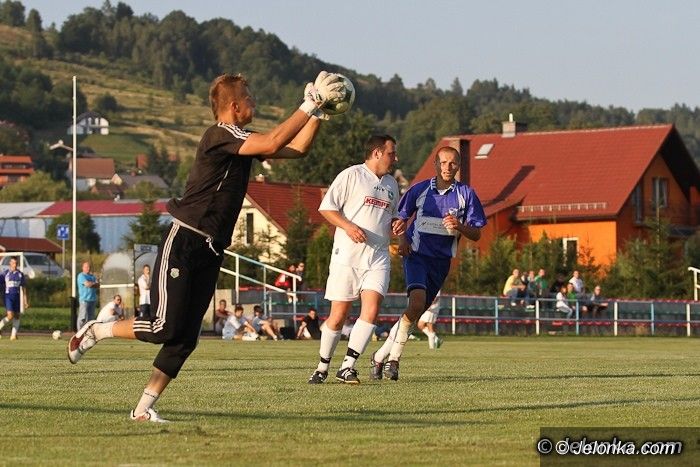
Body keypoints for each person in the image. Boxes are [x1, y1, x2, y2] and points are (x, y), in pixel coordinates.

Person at [67, 70, 345, 422]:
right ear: (234, 106)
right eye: (250, 98)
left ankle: (142, 409)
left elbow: (296, 149)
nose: (255, 103)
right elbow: (274, 142)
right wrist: (308, 104)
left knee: (185, 339)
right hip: (185, 240)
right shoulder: (219, 134)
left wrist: (318, 114)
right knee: (163, 328)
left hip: (211, 250)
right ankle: (97, 329)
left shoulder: (240, 140)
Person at [369, 146, 486, 381]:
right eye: (443, 162)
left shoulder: (466, 194)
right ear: (435, 164)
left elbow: (476, 234)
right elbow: (399, 219)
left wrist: (459, 226)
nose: (447, 167)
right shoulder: (420, 189)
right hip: (416, 256)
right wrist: (403, 240)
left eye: (452, 163)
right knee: (416, 303)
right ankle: (394, 360)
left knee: (415, 312)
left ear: (458, 166)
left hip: (441, 262)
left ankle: (379, 356)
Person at [308, 134, 405, 385]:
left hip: (378, 257)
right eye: (391, 153)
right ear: (377, 153)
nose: (395, 158)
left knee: (371, 310)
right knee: (338, 315)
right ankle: (322, 367)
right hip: (348, 256)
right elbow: (327, 208)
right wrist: (348, 227)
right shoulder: (352, 175)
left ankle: (348, 366)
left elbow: (393, 216)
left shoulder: (392, 184)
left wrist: (397, 224)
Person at [0, 256, 29, 340]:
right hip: (8, 297)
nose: (14, 264)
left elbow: (24, 289)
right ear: (10, 263)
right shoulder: (5, 274)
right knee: (10, 316)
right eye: (13, 263)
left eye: (16, 263)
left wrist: (25, 301)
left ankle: (13, 335)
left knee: (17, 316)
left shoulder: (20, 274)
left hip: (17, 297)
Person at [76, 261, 99, 330]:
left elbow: (98, 285)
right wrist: (93, 284)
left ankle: (88, 332)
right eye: (86, 267)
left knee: (91, 319)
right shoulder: (81, 276)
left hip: (92, 300)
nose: (88, 268)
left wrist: (91, 284)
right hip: (84, 300)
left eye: (89, 267)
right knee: (83, 317)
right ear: (83, 268)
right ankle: (79, 332)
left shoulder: (92, 276)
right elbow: (87, 284)